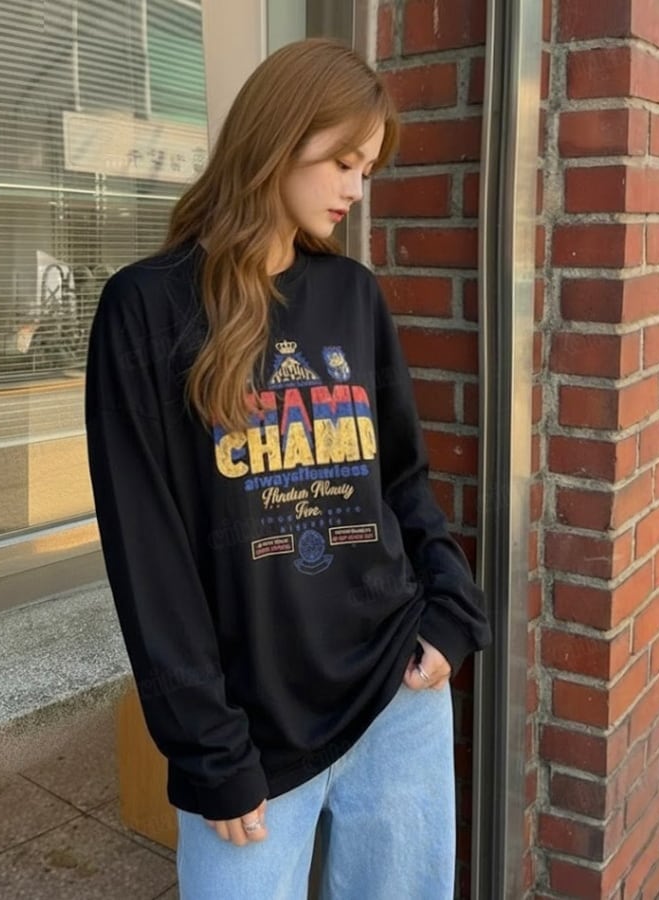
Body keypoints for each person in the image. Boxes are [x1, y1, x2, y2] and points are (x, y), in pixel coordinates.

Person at [85, 37, 491, 900]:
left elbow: (402, 482)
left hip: (397, 695)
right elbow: (148, 558)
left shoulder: (352, 295)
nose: (356, 188)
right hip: (253, 734)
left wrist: (453, 609)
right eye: (343, 162)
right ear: (278, 137)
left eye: (367, 169)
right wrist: (208, 745)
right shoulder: (145, 310)